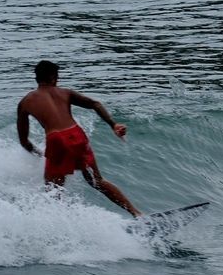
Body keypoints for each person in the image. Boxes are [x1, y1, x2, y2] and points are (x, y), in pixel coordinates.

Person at [17, 60, 142, 217]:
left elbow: (24, 141)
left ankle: (60, 229)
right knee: (96, 181)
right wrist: (113, 125)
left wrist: (40, 153)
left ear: (37, 78)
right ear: (54, 77)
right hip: (76, 133)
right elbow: (95, 104)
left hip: (55, 139)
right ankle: (137, 213)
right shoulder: (65, 93)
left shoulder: (25, 102)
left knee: (53, 192)